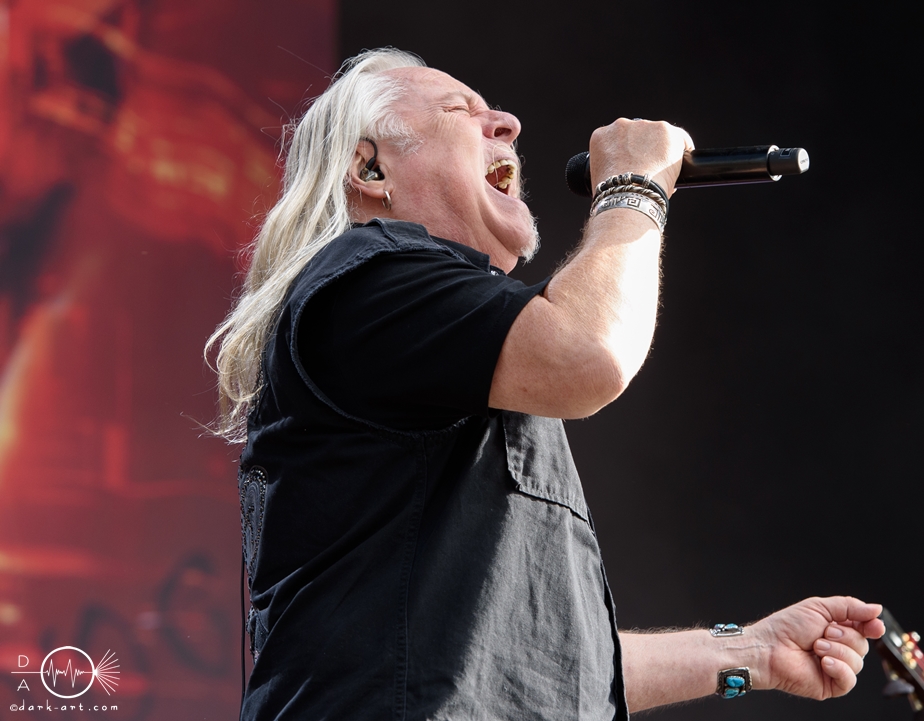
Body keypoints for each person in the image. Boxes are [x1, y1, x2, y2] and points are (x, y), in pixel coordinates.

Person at [208, 48, 885, 720]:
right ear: (370, 168)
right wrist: (633, 187)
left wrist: (750, 653)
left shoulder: (438, 356)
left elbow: (543, 666)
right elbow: (593, 355)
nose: (507, 123)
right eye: (459, 110)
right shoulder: (367, 282)